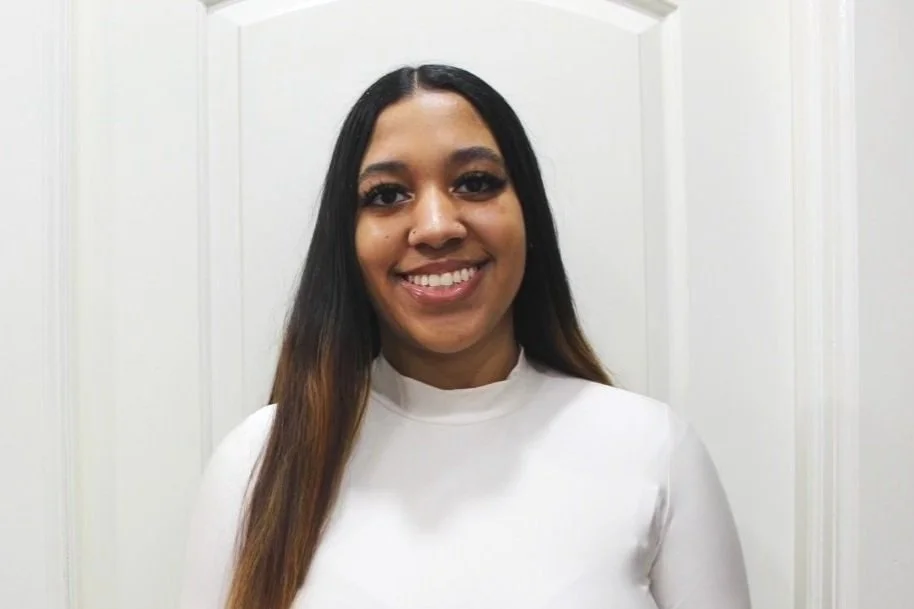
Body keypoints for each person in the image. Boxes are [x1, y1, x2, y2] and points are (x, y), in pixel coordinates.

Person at [178, 64, 751, 609]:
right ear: (345, 240)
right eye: (386, 194)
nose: (435, 227)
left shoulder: (654, 448)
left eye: (476, 183)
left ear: (529, 218)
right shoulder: (259, 461)